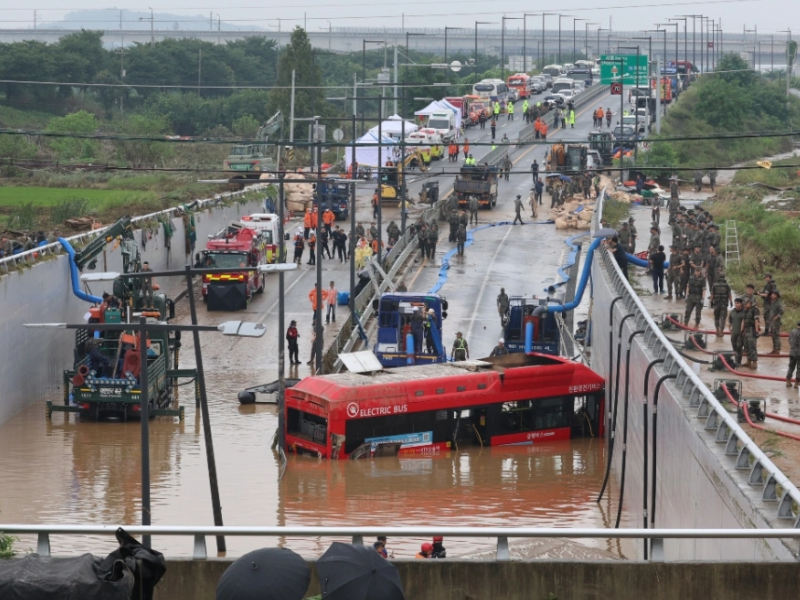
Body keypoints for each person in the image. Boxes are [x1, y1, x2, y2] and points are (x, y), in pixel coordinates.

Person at [742, 297, 761, 369]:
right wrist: (742, 330)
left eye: (746, 303)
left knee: (752, 347)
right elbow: (743, 321)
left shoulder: (755, 310)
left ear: (750, 303)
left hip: (752, 329)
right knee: (746, 347)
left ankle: (754, 363)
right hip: (746, 330)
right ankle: (748, 361)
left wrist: (756, 331)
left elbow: (756, 321)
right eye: (744, 304)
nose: (745, 305)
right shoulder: (745, 310)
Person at [728, 298, 746, 365]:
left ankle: (738, 361)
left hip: (740, 333)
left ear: (741, 304)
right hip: (734, 332)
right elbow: (730, 320)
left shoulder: (744, 312)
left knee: (739, 347)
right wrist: (729, 327)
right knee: (734, 346)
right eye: (735, 303)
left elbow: (746, 322)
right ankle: (736, 358)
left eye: (738, 303)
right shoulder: (732, 312)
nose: (736, 304)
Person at [767, 290, 784, 354]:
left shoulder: (778, 303)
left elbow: (782, 311)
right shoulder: (773, 302)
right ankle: (774, 349)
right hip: (772, 321)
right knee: (773, 335)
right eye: (772, 294)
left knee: (776, 335)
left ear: (777, 296)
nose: (772, 295)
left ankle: (777, 349)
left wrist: (777, 317)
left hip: (776, 322)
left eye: (774, 294)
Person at [787, 321, 800, 388]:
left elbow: (789, 340)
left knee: (791, 367)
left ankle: (788, 381)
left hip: (792, 352)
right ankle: (796, 383)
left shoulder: (792, 331)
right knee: (799, 369)